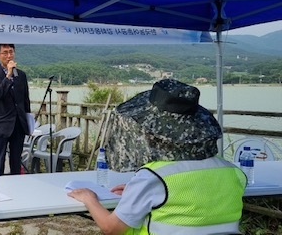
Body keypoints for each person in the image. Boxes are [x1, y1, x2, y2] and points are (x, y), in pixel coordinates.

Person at [68, 79, 247, 235]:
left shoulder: (153, 177)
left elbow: (111, 228)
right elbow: (195, 201)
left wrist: (89, 199)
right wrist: (137, 192)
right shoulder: (233, 172)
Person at [0, 44, 31, 176]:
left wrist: (28, 122)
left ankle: (16, 189)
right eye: (5, 53)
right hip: (1, 124)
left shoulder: (21, 75)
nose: (9, 55)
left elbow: (25, 100)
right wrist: (9, 75)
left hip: (18, 124)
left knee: (16, 161)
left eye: (11, 52)